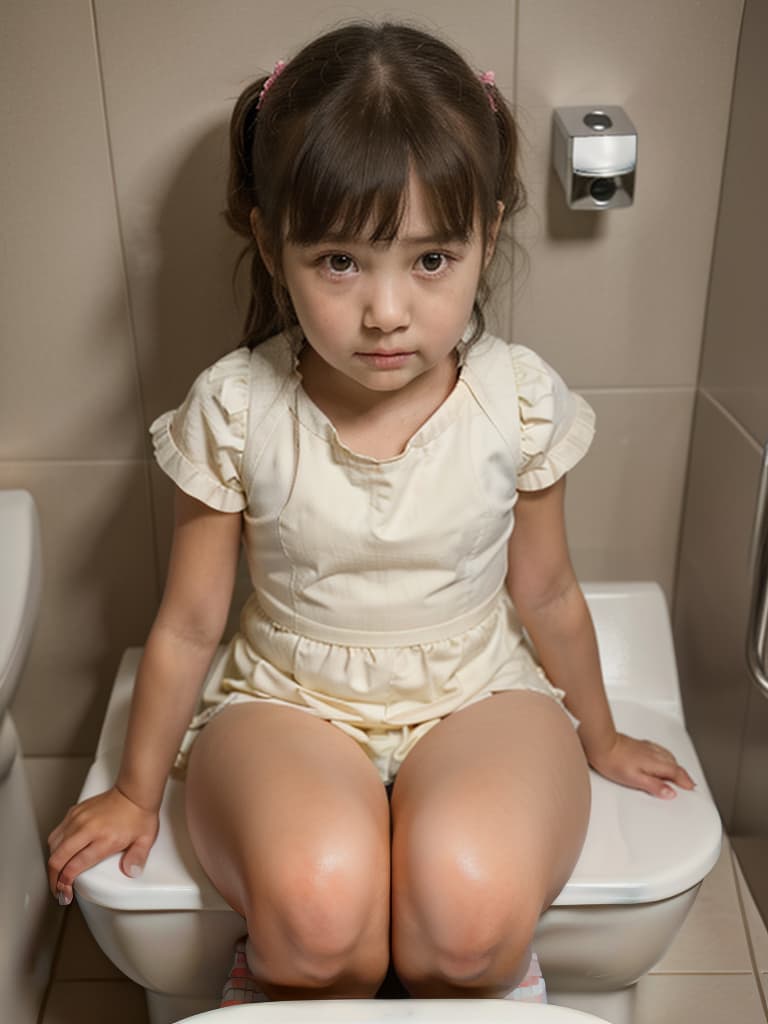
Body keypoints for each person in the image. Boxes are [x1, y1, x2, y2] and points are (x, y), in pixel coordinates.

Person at [47, 21, 694, 1007]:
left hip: (477, 692)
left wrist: (601, 737)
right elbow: (186, 620)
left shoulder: (516, 396)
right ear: (270, 241)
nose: (388, 311)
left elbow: (548, 588)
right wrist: (136, 790)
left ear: (490, 230)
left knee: (468, 919)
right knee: (317, 916)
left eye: (431, 260)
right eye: (341, 262)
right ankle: (290, 979)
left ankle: (478, 979)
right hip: (286, 701)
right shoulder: (236, 406)